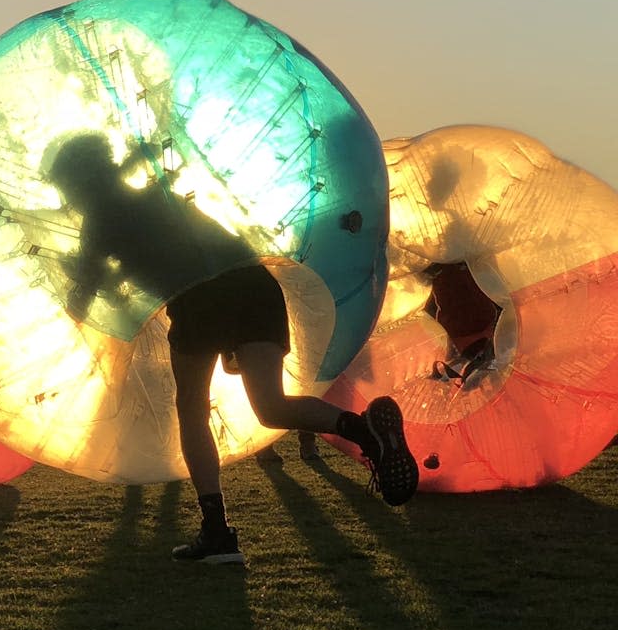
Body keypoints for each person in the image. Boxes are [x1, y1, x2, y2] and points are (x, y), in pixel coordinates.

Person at [46, 132, 419, 565]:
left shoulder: (99, 222)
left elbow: (84, 301)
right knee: (271, 406)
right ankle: (366, 432)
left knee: (192, 409)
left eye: (65, 187)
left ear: (79, 182)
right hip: (254, 286)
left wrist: (65, 273)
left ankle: (217, 531)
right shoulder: (162, 194)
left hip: (200, 303)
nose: (66, 197)